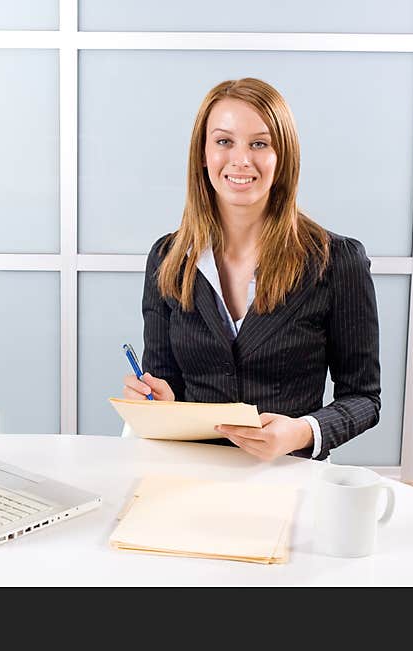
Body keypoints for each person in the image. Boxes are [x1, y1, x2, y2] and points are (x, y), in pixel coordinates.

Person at [122, 78, 380, 461]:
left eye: (259, 143)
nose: (241, 160)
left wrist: (301, 431)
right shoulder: (168, 258)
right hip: (191, 477)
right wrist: (160, 399)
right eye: (224, 142)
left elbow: (363, 398)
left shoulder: (337, 261)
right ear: (203, 155)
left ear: (283, 156)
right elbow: (167, 382)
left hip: (288, 477)